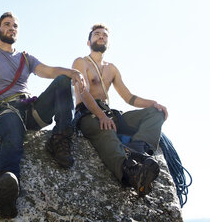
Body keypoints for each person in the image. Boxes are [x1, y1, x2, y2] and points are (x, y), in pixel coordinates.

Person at [0, 12, 85, 218]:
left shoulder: (25, 58)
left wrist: (72, 72)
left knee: (61, 81)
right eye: (7, 24)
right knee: (13, 136)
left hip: (30, 110)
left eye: (15, 25)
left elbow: (49, 71)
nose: (11, 28)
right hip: (6, 110)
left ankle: (60, 139)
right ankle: (4, 184)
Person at [72, 24, 168, 197]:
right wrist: (101, 115)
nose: (101, 37)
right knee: (106, 129)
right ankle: (130, 173)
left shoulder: (111, 68)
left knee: (156, 114)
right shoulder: (81, 62)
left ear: (108, 43)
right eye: (96, 34)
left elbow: (129, 97)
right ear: (88, 41)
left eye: (104, 35)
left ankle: (138, 149)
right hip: (88, 113)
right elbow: (83, 91)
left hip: (110, 113)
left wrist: (154, 104)